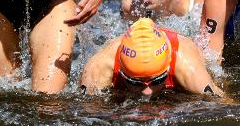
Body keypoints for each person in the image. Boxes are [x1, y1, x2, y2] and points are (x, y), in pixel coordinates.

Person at [80, 18, 223, 97]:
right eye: (136, 83)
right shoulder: (99, 68)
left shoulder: (188, 68)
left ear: (168, 68)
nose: (147, 92)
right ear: (122, 72)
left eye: (157, 80)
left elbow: (224, 107)